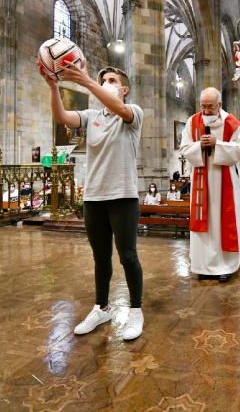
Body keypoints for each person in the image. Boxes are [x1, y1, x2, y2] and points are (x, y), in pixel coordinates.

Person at [39, 61, 145, 341]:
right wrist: (53, 86)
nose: (106, 83)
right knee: (101, 257)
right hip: (94, 197)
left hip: (123, 196)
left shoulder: (133, 113)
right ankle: (102, 307)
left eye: (111, 80)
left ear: (124, 89)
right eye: (103, 80)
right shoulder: (92, 116)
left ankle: (135, 310)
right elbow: (61, 116)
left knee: (128, 256)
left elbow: (121, 109)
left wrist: (87, 81)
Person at [180, 87, 240, 283]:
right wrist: (199, 145)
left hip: (224, 181)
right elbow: (184, 148)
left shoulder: (231, 123)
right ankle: (202, 266)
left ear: (220, 105)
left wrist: (218, 143)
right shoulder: (192, 122)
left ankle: (225, 266)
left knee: (221, 223)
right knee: (204, 225)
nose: (206, 111)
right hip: (201, 180)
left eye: (210, 106)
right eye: (203, 106)